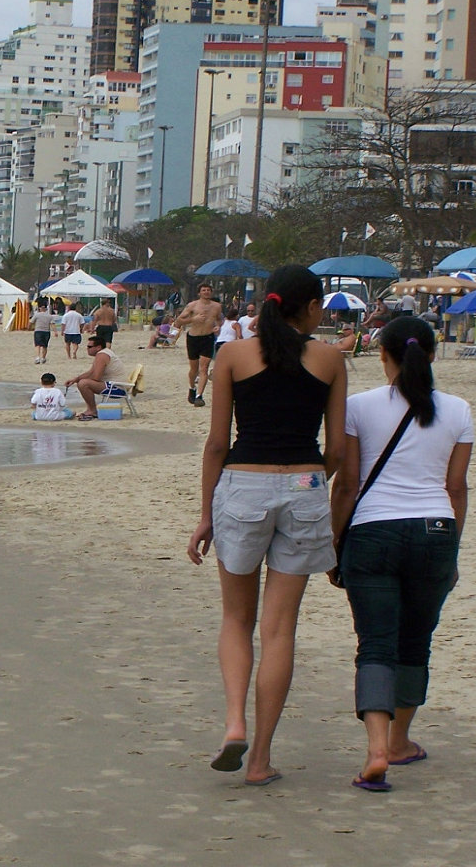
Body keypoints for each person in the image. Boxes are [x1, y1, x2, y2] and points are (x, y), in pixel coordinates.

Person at [186, 265, 348, 787]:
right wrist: (308, 481)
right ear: (312, 308)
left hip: (242, 483)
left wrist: (207, 513)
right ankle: (260, 760)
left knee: (237, 619)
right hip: (304, 485)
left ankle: (234, 723)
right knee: (280, 630)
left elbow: (216, 443)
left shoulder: (232, 354)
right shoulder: (329, 358)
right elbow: (339, 449)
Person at [330, 317, 472, 792]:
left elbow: (347, 484)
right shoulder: (458, 410)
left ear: (383, 355)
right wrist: (451, 550)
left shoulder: (358, 407)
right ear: (431, 355)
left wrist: (336, 542)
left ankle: (374, 750)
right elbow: (456, 488)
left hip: (373, 531)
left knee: (375, 644)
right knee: (415, 642)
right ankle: (400, 741)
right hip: (435, 531)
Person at [176, 283, 223, 407]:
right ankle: (192, 388)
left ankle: (199, 396)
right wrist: (193, 319)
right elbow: (178, 321)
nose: (206, 292)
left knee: (204, 368)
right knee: (194, 369)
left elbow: (219, 319)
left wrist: (218, 326)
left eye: (208, 290)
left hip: (208, 337)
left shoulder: (217, 306)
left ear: (211, 292)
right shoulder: (193, 305)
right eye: (204, 290)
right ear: (199, 293)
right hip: (193, 338)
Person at [64, 335, 130, 420]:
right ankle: (90, 409)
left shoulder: (102, 355)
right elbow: (90, 372)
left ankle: (92, 410)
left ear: (98, 347)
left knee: (83, 384)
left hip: (117, 387)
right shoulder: (103, 353)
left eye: (90, 347)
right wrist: (75, 379)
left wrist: (82, 381)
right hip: (116, 385)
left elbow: (96, 377)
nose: (87, 349)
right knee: (82, 382)